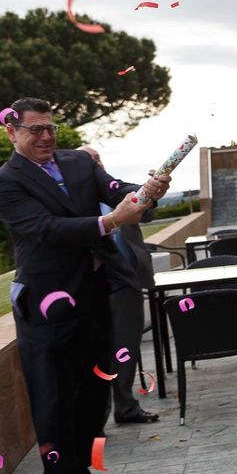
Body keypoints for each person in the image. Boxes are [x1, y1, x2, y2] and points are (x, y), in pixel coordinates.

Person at [0, 97, 170, 473]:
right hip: (46, 312)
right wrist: (110, 223)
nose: (46, 136)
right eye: (35, 130)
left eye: (50, 128)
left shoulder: (78, 162)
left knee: (95, 396)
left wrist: (147, 190)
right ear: (12, 132)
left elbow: (115, 189)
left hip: (94, 300)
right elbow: (45, 229)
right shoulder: (6, 180)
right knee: (54, 403)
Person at [80, 146, 160, 426]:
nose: (95, 164)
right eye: (88, 160)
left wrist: (151, 190)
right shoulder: (76, 201)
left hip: (128, 280)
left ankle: (126, 407)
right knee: (97, 353)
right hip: (95, 285)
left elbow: (146, 214)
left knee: (127, 346)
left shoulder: (120, 192)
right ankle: (96, 420)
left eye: (97, 158)